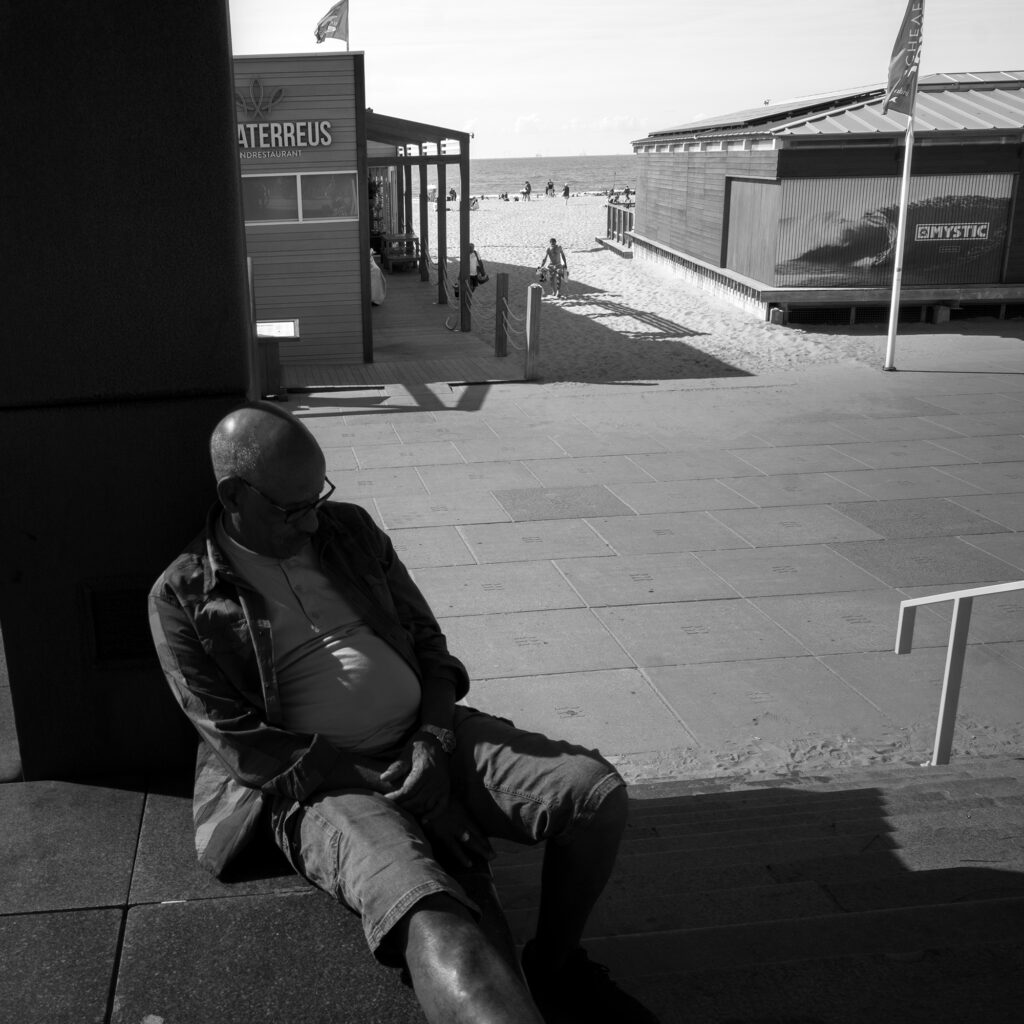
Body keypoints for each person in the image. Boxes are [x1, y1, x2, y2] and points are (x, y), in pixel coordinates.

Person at [148, 403, 657, 1024]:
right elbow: (243, 745)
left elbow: (430, 646)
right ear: (234, 496)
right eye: (293, 508)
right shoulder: (182, 595)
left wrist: (434, 741)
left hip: (432, 735)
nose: (313, 522)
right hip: (322, 783)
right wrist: (414, 794)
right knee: (430, 911)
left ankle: (555, 961)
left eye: (319, 497)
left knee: (594, 794)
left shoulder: (349, 531)